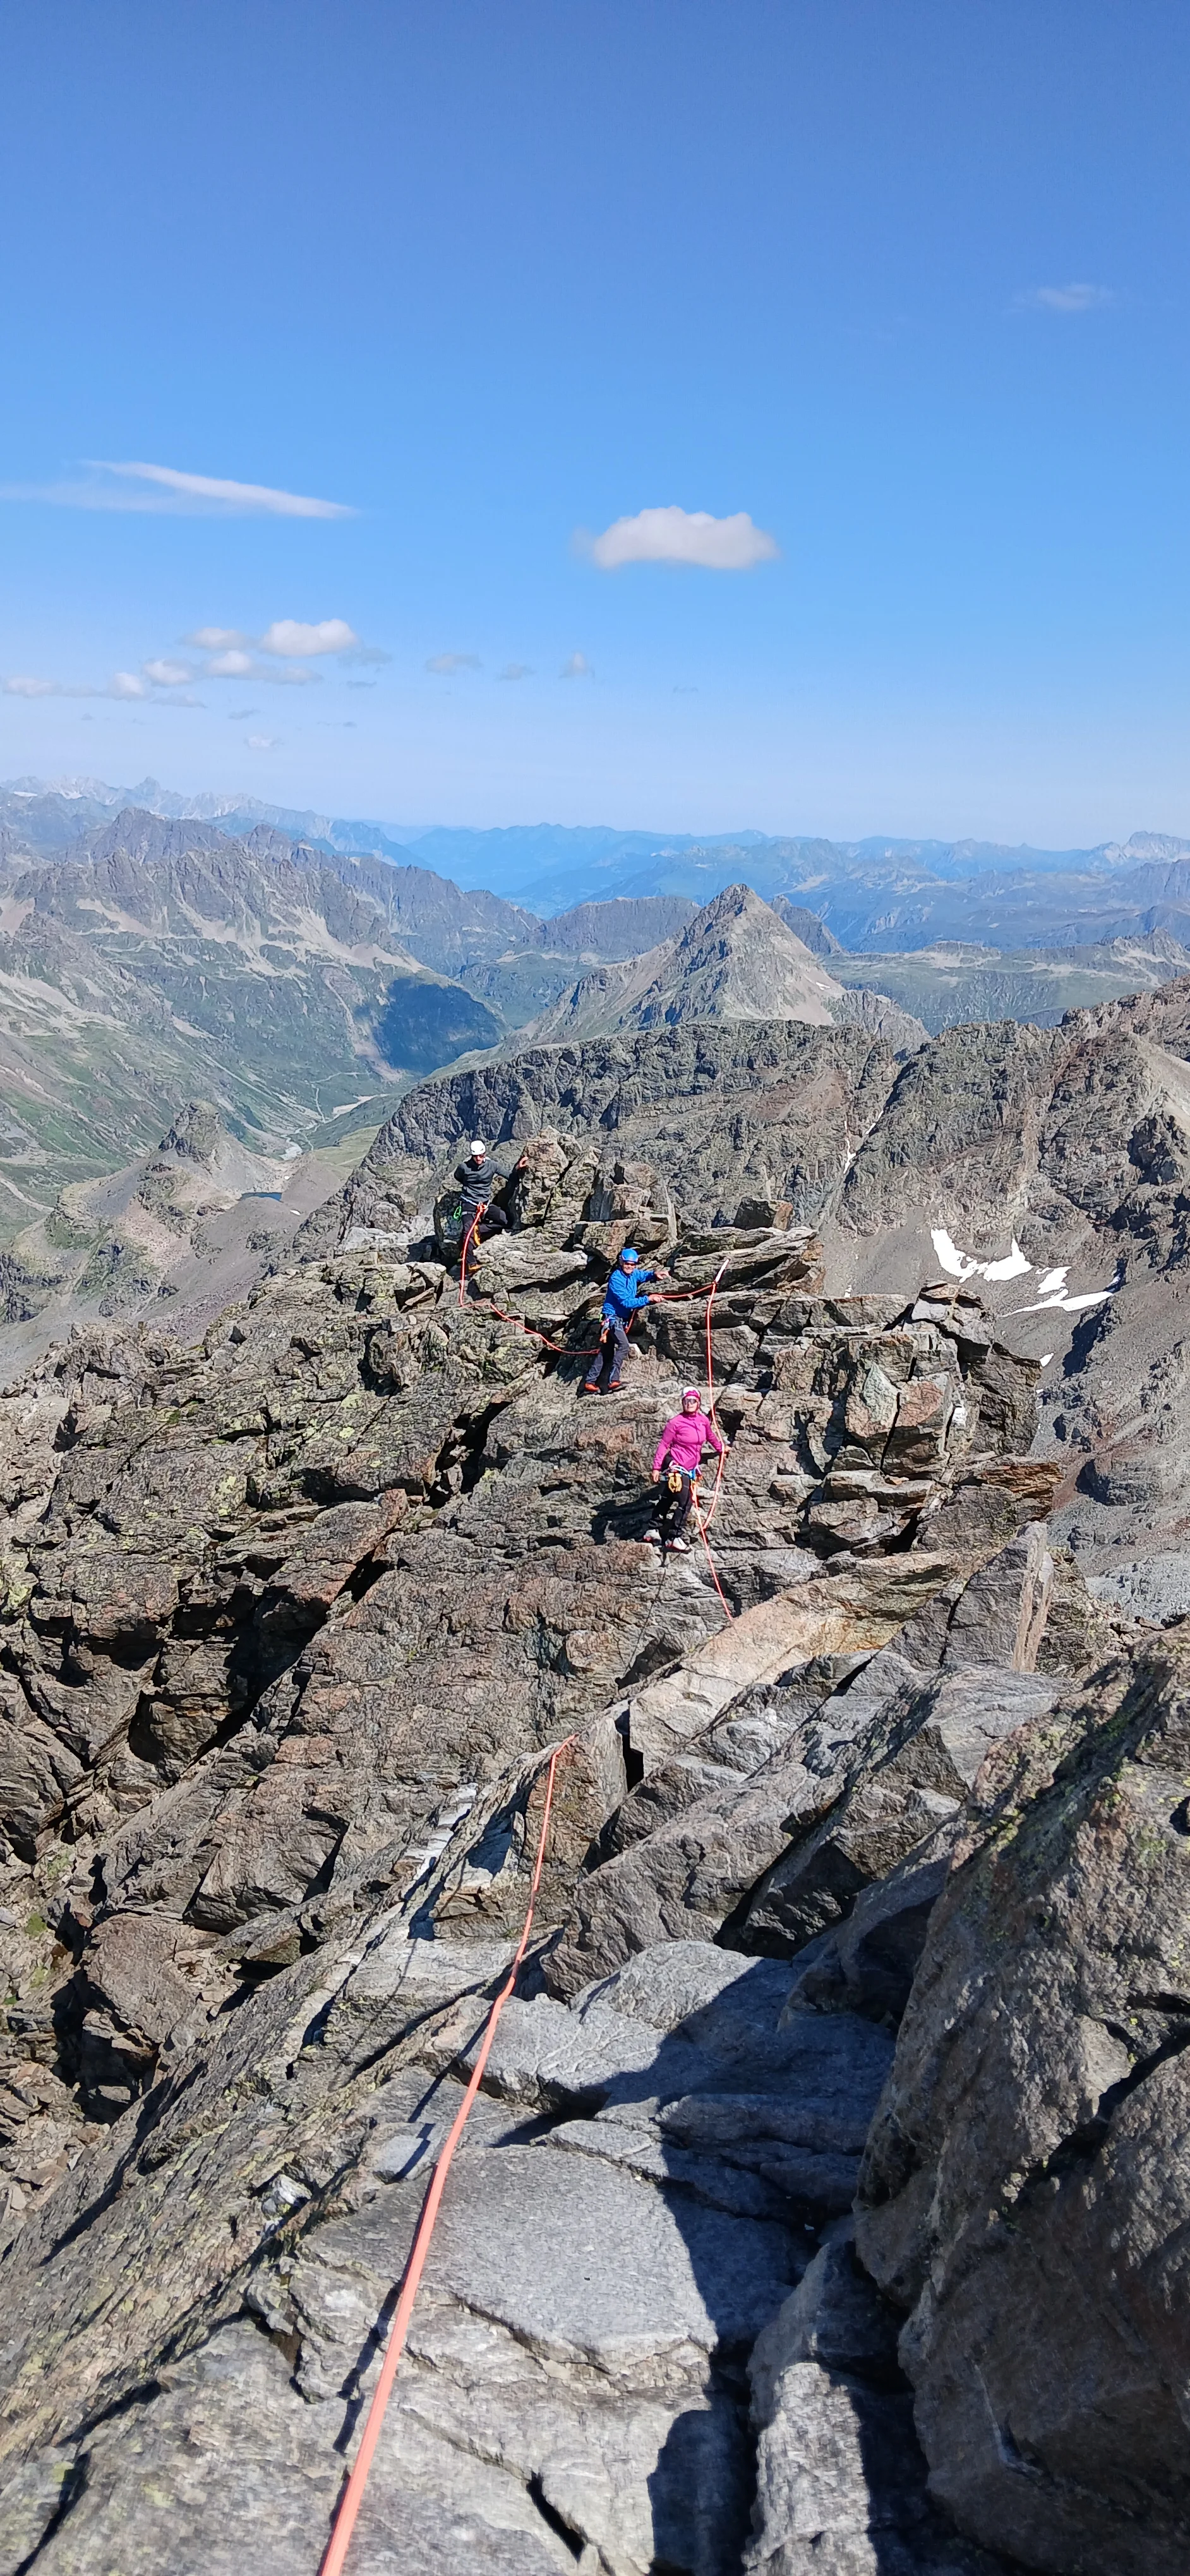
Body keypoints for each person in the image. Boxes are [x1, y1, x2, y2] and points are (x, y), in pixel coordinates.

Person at [647, 1385, 724, 1550]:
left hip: (691, 1468)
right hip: (677, 1466)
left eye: (693, 1401)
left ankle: (652, 1528)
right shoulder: (675, 1423)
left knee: (668, 1496)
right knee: (686, 1501)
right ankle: (674, 1537)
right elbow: (663, 1445)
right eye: (686, 1401)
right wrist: (656, 1467)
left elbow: (710, 1436)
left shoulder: (703, 1420)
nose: (689, 1404)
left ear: (698, 1403)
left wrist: (721, 1449)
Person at [583, 1246, 662, 1394]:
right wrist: (648, 1299)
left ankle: (589, 1382)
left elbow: (642, 1275)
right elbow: (627, 1302)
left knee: (605, 1353)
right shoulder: (616, 1279)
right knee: (624, 1346)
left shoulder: (633, 1274)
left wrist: (654, 1275)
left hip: (618, 1319)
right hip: (613, 1319)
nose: (630, 1267)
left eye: (633, 1265)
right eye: (627, 1264)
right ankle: (613, 1381)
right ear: (621, 1262)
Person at [454, 1138, 509, 1246]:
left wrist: (518, 1168)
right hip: (469, 1203)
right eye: (475, 1156)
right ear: (472, 1155)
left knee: (506, 1221)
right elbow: (458, 1176)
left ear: (485, 1154)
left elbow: (509, 1176)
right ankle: (470, 1262)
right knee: (467, 1231)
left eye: (481, 1155)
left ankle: (479, 1230)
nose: (478, 1159)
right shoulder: (464, 1167)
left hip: (485, 1204)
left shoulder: (492, 1165)